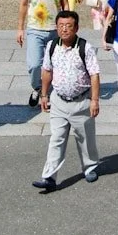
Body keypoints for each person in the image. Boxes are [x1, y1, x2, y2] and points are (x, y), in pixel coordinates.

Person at [32, 11, 100, 191]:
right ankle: (49, 177)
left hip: (81, 101)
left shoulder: (85, 48)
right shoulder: (52, 46)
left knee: (85, 138)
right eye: (61, 26)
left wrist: (94, 100)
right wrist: (44, 95)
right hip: (59, 102)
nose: (64, 30)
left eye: (69, 26)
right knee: (56, 138)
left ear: (76, 28)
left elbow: (94, 75)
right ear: (56, 27)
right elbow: (46, 71)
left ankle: (90, 166)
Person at [17, 0, 67, 108]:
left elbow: (64, 3)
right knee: (34, 65)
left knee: (54, 65)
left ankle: (48, 92)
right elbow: (24, 4)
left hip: (55, 29)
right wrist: (20, 28)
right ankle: (38, 88)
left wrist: (68, 26)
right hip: (35, 28)